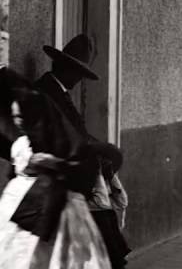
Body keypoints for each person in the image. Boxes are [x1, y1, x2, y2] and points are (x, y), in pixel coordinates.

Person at [0, 66, 115, 268]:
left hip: (47, 201)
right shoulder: (21, 139)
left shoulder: (42, 121)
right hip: (25, 200)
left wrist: (54, 164)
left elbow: (66, 155)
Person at [33, 36, 130, 267]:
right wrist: (101, 149)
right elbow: (63, 139)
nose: (78, 79)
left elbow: (77, 133)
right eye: (77, 72)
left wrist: (101, 152)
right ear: (65, 68)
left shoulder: (58, 92)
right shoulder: (47, 93)